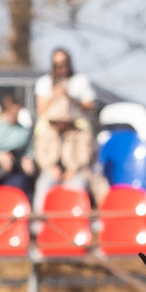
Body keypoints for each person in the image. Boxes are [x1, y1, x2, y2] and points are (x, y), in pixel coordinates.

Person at [32, 48, 97, 202]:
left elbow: (90, 106)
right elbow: (41, 109)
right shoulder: (44, 83)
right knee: (44, 184)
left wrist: (70, 97)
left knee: (77, 185)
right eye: (56, 64)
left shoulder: (80, 81)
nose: (60, 67)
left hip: (75, 135)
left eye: (63, 63)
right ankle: (41, 222)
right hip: (52, 143)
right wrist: (55, 95)